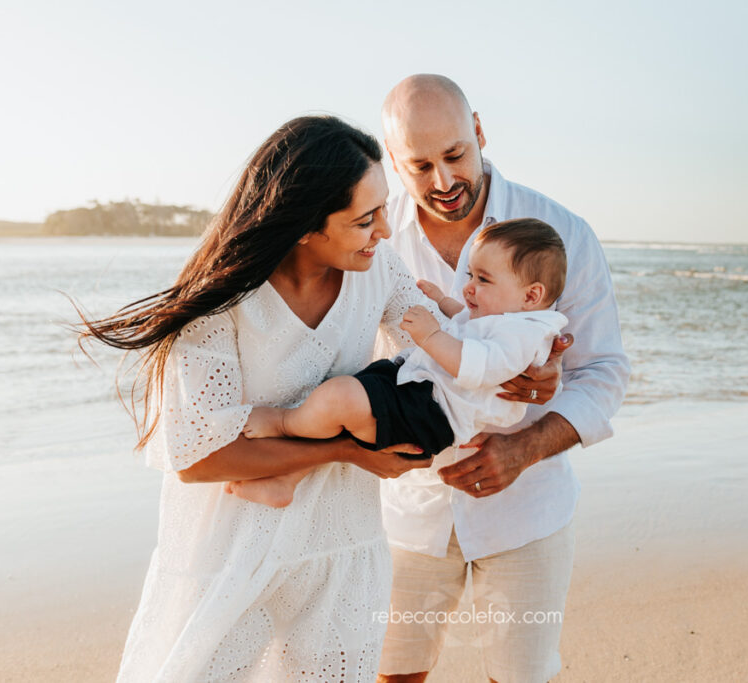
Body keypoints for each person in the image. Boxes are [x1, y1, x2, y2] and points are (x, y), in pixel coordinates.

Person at [78, 115, 435, 682]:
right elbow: (199, 457)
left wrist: (520, 354)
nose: (386, 231)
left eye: (384, 210)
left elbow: (441, 353)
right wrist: (345, 451)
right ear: (303, 226)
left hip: (341, 542)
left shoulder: (378, 270)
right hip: (230, 552)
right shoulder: (223, 302)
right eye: (365, 219)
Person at [375, 75, 630, 683]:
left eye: (456, 155)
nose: (443, 181)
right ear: (393, 162)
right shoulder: (373, 240)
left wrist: (524, 446)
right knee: (391, 674)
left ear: (480, 132)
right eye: (420, 165)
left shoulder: (562, 232)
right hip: (406, 513)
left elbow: (605, 372)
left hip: (528, 513)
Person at [233, 218, 568, 509]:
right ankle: (287, 479)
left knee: (341, 398)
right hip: (414, 384)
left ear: (531, 296)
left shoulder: (525, 334)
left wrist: (431, 335)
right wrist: (442, 301)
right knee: (346, 404)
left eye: (483, 279)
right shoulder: (503, 316)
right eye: (470, 274)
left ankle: (281, 423)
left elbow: (477, 366)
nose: (469, 286)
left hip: (430, 412)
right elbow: (467, 323)